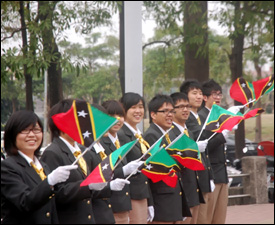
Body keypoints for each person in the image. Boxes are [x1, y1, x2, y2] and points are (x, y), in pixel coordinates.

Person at [41, 99, 129, 224]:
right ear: (63, 123)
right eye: (78, 120)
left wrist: (109, 186)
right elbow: (57, 194)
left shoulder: (81, 150)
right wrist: (87, 186)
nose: (84, 125)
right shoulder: (53, 152)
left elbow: (92, 187)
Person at [1, 110, 77, 224]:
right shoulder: (7, 167)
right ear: (12, 135)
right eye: (25, 130)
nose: (31, 135)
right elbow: (25, 201)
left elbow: (51, 209)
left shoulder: (43, 166)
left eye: (36, 130)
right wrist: (50, 181)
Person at [143, 94, 191, 224]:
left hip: (172, 199)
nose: (170, 115)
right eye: (164, 111)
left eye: (171, 111)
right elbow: (165, 167)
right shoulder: (152, 136)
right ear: (153, 115)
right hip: (162, 202)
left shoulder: (167, 134)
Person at [101, 100, 142, 224]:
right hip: (111, 205)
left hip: (124, 203)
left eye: (120, 116)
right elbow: (103, 173)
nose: (117, 120)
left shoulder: (121, 140)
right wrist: (124, 170)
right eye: (111, 116)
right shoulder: (101, 143)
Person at [198, 79, 233, 224]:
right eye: (214, 94)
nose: (218, 97)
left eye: (219, 94)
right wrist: (222, 136)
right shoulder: (201, 117)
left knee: (219, 218)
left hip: (222, 173)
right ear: (205, 97)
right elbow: (204, 147)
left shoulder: (220, 116)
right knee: (206, 218)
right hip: (210, 174)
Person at [180, 80, 213, 224]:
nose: (199, 96)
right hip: (193, 178)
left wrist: (209, 176)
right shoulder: (187, 120)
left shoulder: (198, 117)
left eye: (200, 93)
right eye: (194, 93)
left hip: (202, 176)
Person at [118, 92, 154, 224]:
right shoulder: (122, 135)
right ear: (124, 110)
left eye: (140, 107)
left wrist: (150, 200)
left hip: (142, 193)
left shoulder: (138, 135)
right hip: (132, 195)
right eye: (133, 107)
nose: (138, 111)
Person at [170, 92, 205, 224]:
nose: (185, 110)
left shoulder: (188, 132)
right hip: (182, 194)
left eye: (187, 106)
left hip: (193, 191)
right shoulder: (171, 133)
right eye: (180, 107)